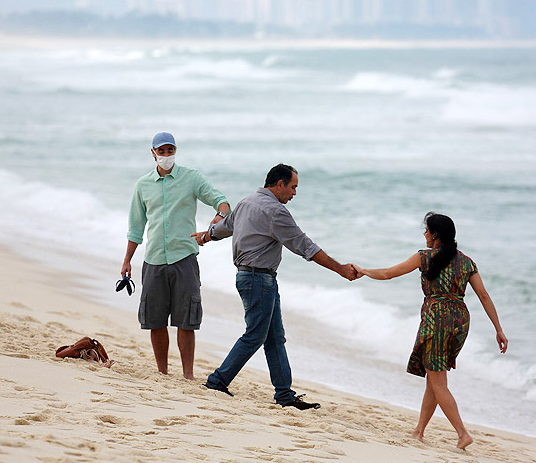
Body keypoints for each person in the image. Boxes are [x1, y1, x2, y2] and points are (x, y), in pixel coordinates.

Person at [191, 164, 357, 410]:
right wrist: (340, 268)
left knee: (275, 338)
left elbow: (225, 227)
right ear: (279, 184)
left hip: (252, 278)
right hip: (259, 280)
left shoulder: (247, 202)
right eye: (293, 187)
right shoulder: (275, 212)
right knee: (255, 335)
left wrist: (206, 235)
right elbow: (305, 246)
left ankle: (284, 395)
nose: (295, 193)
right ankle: (217, 381)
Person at [352, 212, 507, 449]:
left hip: (437, 320)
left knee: (438, 382)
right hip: (460, 321)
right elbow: (484, 296)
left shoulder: (424, 257)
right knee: (435, 378)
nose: (424, 234)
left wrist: (363, 271)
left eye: (426, 230)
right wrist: (499, 329)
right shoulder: (466, 262)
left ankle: (463, 433)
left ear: (435, 235)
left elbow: (388, 274)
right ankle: (419, 431)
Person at [122, 132, 230, 380]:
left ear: (175, 152)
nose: (166, 156)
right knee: (155, 320)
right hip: (154, 259)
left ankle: (188, 375)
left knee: (186, 320)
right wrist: (127, 260)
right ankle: (162, 373)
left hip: (184, 258)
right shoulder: (143, 185)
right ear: (153, 153)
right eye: (162, 151)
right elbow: (136, 228)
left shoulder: (191, 178)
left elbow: (220, 200)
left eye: (171, 151)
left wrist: (219, 218)